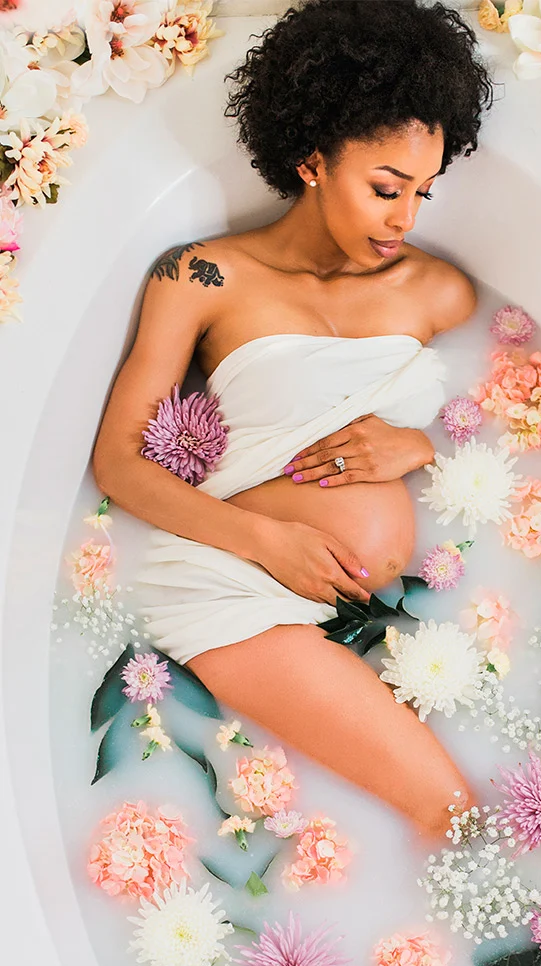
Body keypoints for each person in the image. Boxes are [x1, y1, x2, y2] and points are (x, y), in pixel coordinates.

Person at [89, 0, 493, 837]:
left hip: (391, 599)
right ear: (311, 160)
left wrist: (419, 446)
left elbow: (491, 418)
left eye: (423, 190)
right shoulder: (203, 277)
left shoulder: (436, 290)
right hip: (235, 584)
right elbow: (120, 464)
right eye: (386, 188)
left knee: (459, 810)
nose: (405, 218)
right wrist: (270, 544)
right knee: (450, 810)